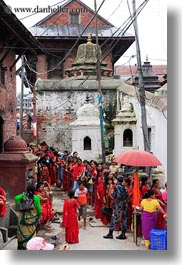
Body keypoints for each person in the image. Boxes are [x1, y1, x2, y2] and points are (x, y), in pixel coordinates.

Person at [14, 184, 42, 250]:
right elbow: (39, 210)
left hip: (23, 219)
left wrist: (23, 195)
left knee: (22, 233)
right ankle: (30, 247)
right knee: (31, 233)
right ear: (34, 191)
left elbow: (16, 198)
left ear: (27, 190)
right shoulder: (36, 198)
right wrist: (39, 216)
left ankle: (22, 247)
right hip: (32, 220)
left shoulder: (23, 197)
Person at [103, 175, 127, 240]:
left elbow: (117, 196)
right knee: (123, 219)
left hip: (118, 205)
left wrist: (111, 194)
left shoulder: (117, 187)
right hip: (124, 205)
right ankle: (123, 234)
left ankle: (110, 233)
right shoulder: (124, 187)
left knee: (114, 218)